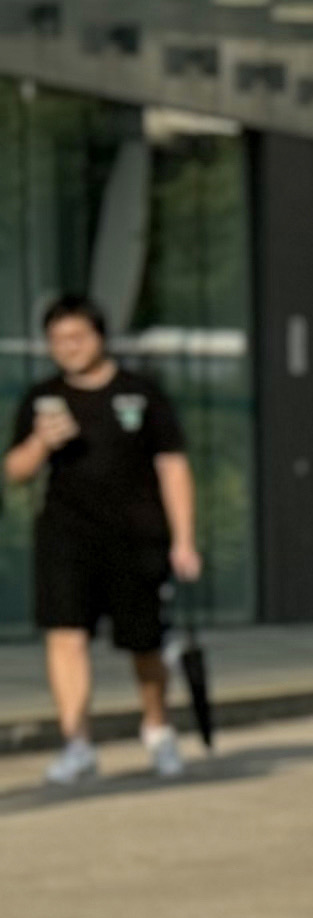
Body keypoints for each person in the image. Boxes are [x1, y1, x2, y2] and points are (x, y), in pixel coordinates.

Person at [11, 293, 202, 785]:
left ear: (99, 337)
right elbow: (15, 469)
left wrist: (183, 540)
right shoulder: (42, 398)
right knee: (65, 635)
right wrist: (40, 442)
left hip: (137, 538)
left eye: (77, 337)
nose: (68, 348)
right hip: (67, 537)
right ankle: (76, 742)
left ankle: (157, 728)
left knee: (144, 643)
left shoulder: (142, 394)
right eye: (57, 340)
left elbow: (173, 466)